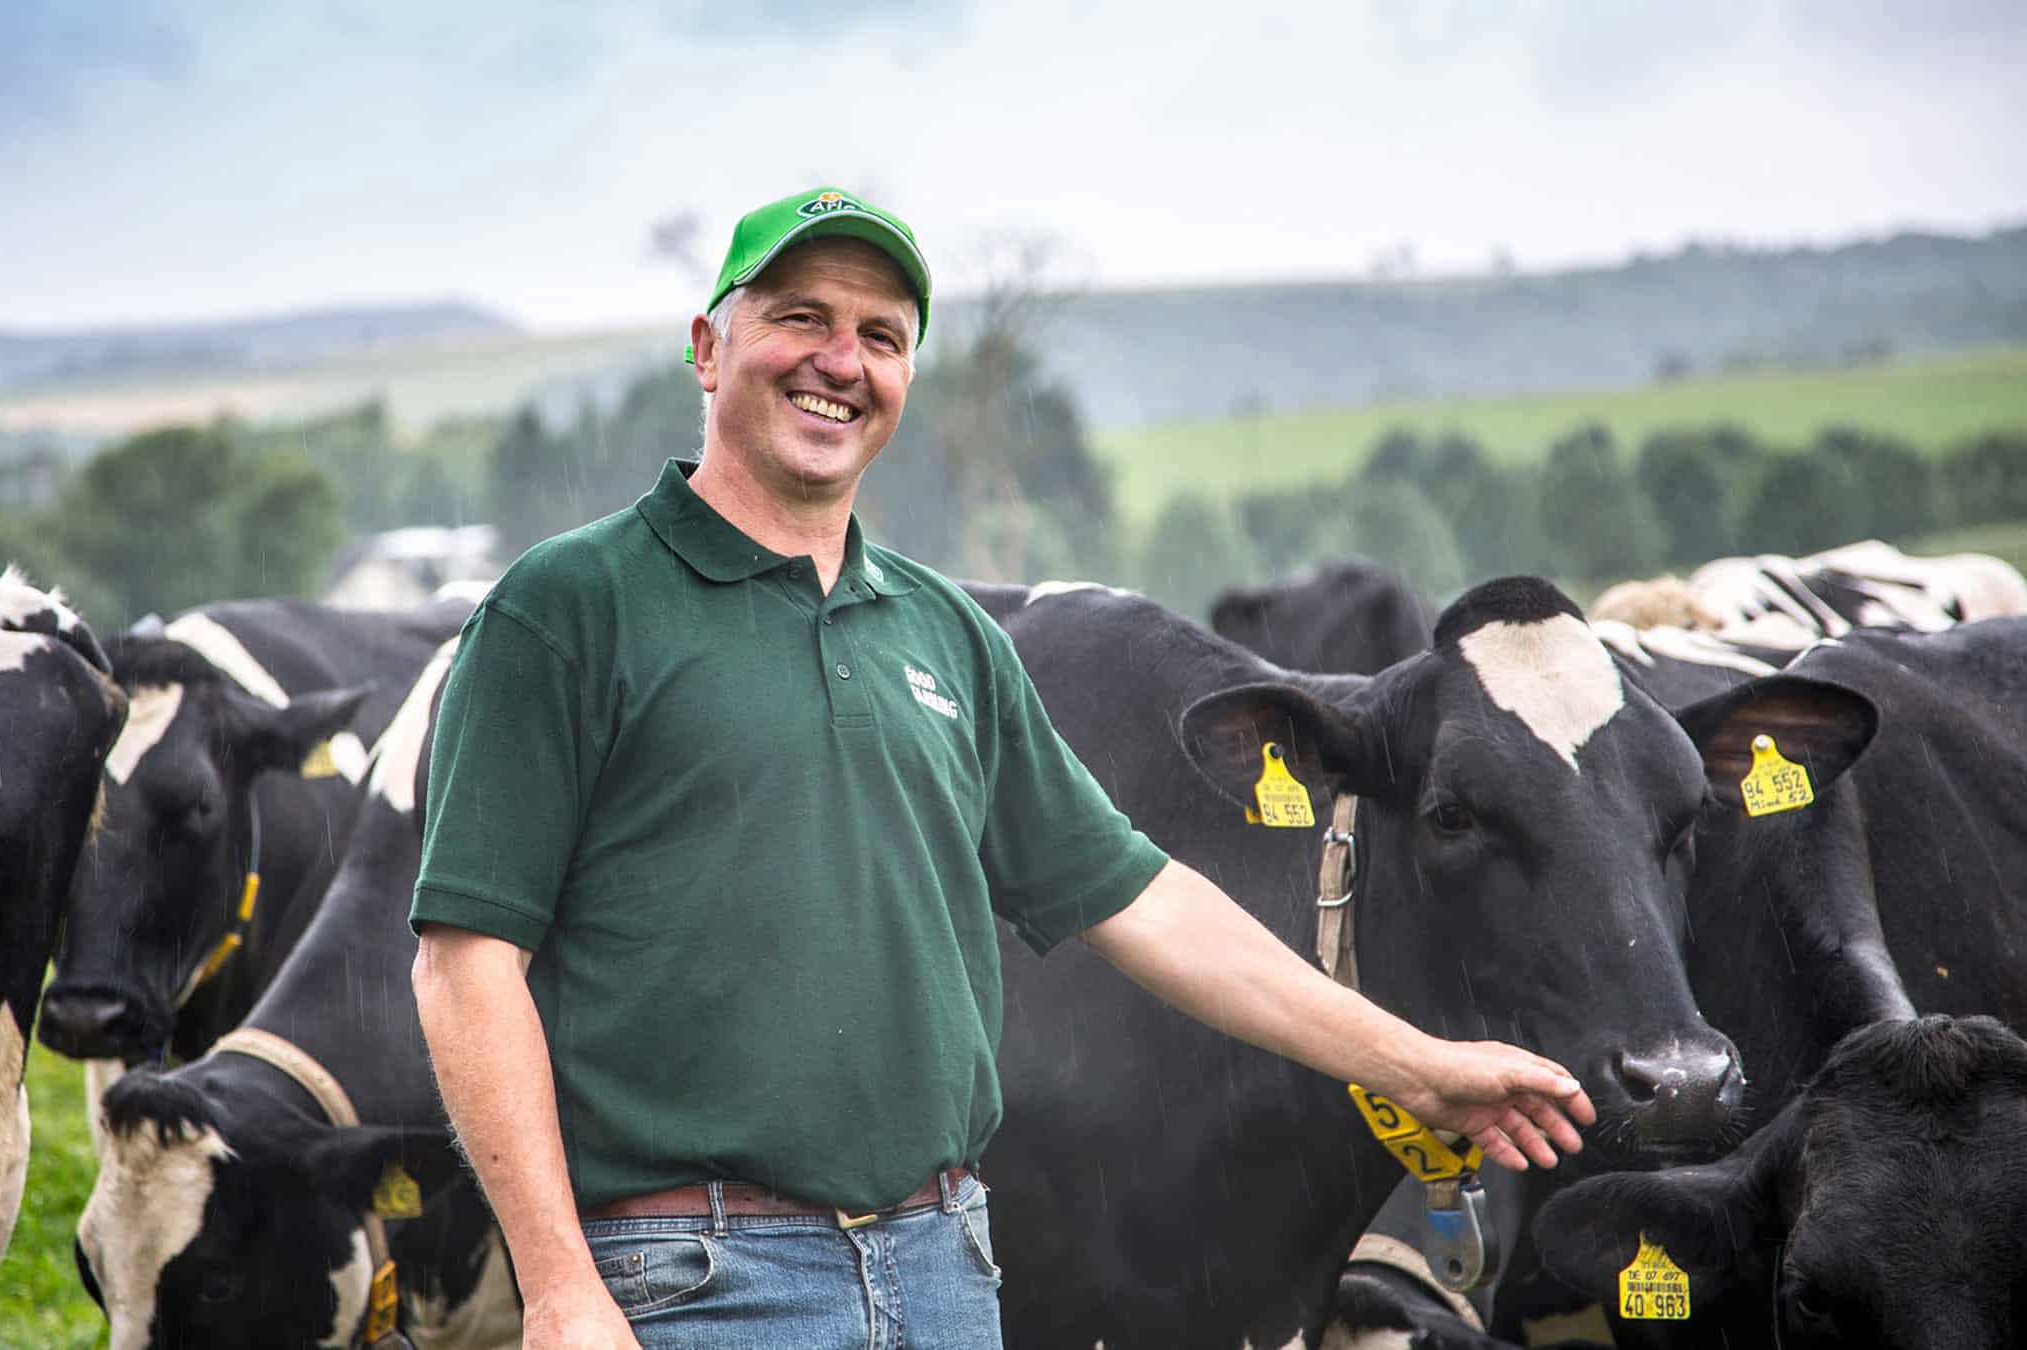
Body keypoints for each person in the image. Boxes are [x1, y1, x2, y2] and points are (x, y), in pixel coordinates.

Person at [409, 186, 1594, 1349]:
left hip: (946, 1266)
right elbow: (467, 964)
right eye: (800, 317)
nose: (840, 359)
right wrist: (560, 1286)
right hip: (697, 1282)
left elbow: (1143, 900)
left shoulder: (945, 634)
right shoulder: (569, 607)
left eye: (881, 336)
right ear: (709, 348)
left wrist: (1417, 1065)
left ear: (905, 383)